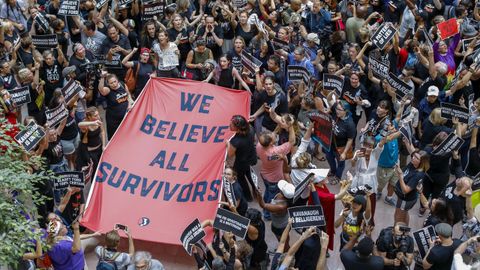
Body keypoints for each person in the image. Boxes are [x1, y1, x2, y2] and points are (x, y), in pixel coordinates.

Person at [226, 115, 257, 201]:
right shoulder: (250, 129)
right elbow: (253, 140)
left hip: (241, 163)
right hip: (251, 157)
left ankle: (248, 197)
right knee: (251, 176)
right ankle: (257, 192)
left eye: (231, 124)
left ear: (238, 128)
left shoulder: (235, 141)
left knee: (241, 179)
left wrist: (228, 144)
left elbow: (230, 154)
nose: (229, 125)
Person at [98, 72, 134, 140]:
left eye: (115, 81)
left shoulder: (123, 84)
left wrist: (130, 104)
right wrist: (102, 78)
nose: (114, 84)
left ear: (117, 80)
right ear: (108, 84)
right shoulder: (108, 90)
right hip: (113, 121)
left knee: (126, 136)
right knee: (114, 138)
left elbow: (128, 95)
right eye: (111, 83)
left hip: (125, 117)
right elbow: (101, 89)